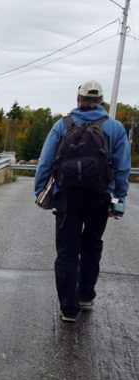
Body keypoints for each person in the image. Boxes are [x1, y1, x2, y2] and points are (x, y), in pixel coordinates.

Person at [34, 80, 130, 322]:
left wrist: (41, 194)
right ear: (101, 101)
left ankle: (68, 309)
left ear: (78, 100)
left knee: (66, 252)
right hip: (99, 197)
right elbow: (121, 169)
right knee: (92, 244)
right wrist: (119, 201)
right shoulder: (115, 128)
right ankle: (85, 295)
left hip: (67, 197)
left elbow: (45, 163)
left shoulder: (62, 125)